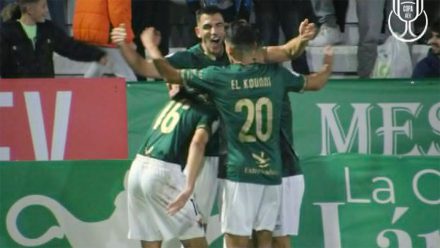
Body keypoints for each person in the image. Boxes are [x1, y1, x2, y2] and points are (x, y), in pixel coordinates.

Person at [112, 6, 317, 246]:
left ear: (226, 29)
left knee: (246, 230)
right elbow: (146, 68)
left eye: (219, 25)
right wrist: (126, 46)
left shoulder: (241, 51)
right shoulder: (186, 59)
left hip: (237, 160)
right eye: (207, 26)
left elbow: (284, 51)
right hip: (200, 158)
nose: (214, 31)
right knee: (198, 228)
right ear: (198, 32)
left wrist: (302, 39)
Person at [127, 85, 217, 248]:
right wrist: (189, 187)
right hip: (162, 171)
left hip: (137, 168)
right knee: (195, 240)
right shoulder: (209, 108)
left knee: (150, 238)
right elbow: (197, 143)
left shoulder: (176, 101)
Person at [0, 0, 107, 78]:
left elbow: (71, 47)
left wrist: (97, 55)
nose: (47, 11)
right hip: (16, 96)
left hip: (46, 93)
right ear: (29, 9)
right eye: (43, 6)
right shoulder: (6, 32)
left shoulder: (49, 30)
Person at [72, 0, 137, 81]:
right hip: (105, 32)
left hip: (89, 28)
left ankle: (80, 91)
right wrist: (126, 39)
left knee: (99, 66)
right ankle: (80, 91)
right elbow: (118, 11)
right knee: (127, 77)